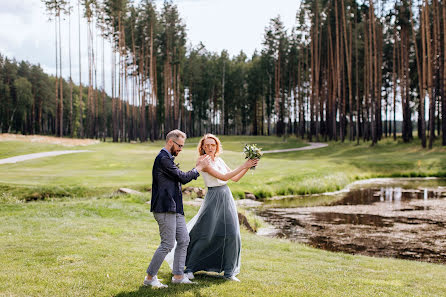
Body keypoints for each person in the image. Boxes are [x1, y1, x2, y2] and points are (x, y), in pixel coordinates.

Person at [183, 133, 258, 282]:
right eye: (207, 145)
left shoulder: (219, 159)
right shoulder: (202, 161)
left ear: (217, 146)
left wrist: (249, 166)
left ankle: (229, 272)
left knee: (232, 233)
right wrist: (244, 165)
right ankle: (190, 268)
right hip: (213, 197)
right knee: (205, 234)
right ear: (203, 147)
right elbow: (223, 177)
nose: (210, 147)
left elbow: (234, 178)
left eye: (213, 145)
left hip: (226, 196)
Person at [144, 129, 211, 288]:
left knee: (184, 239)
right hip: (164, 207)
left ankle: (178, 276)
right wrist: (199, 168)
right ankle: (149, 278)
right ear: (170, 142)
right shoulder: (163, 159)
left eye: (182, 146)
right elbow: (182, 177)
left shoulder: (169, 158)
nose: (181, 149)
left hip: (175, 208)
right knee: (167, 244)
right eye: (179, 145)